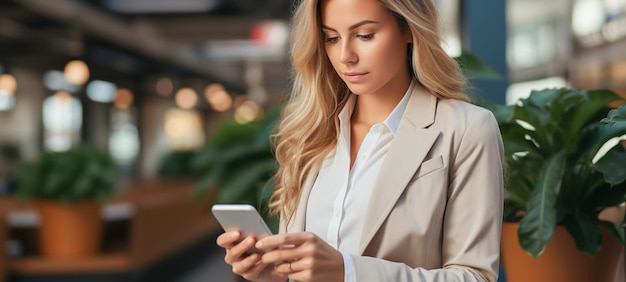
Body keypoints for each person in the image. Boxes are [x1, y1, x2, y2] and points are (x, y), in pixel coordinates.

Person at [217, 0, 504, 281]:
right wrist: (275, 274)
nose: (345, 56)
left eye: (365, 35)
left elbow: (474, 276)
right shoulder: (310, 133)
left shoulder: (467, 129)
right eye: (331, 37)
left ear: (408, 29)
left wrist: (349, 272)